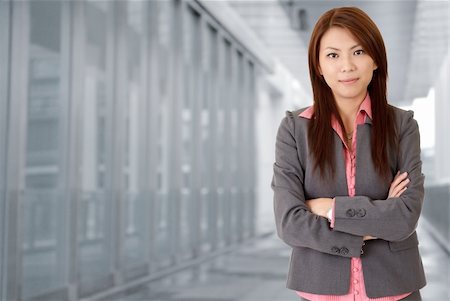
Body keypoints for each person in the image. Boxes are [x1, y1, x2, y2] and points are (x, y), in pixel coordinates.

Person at [271, 7, 426, 301]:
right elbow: (289, 222)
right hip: (320, 290)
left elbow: (404, 218)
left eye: (358, 52)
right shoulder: (294, 129)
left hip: (396, 290)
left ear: (376, 59)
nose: (346, 66)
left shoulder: (402, 125)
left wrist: (329, 209)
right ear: (318, 65)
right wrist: (375, 222)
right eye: (332, 55)